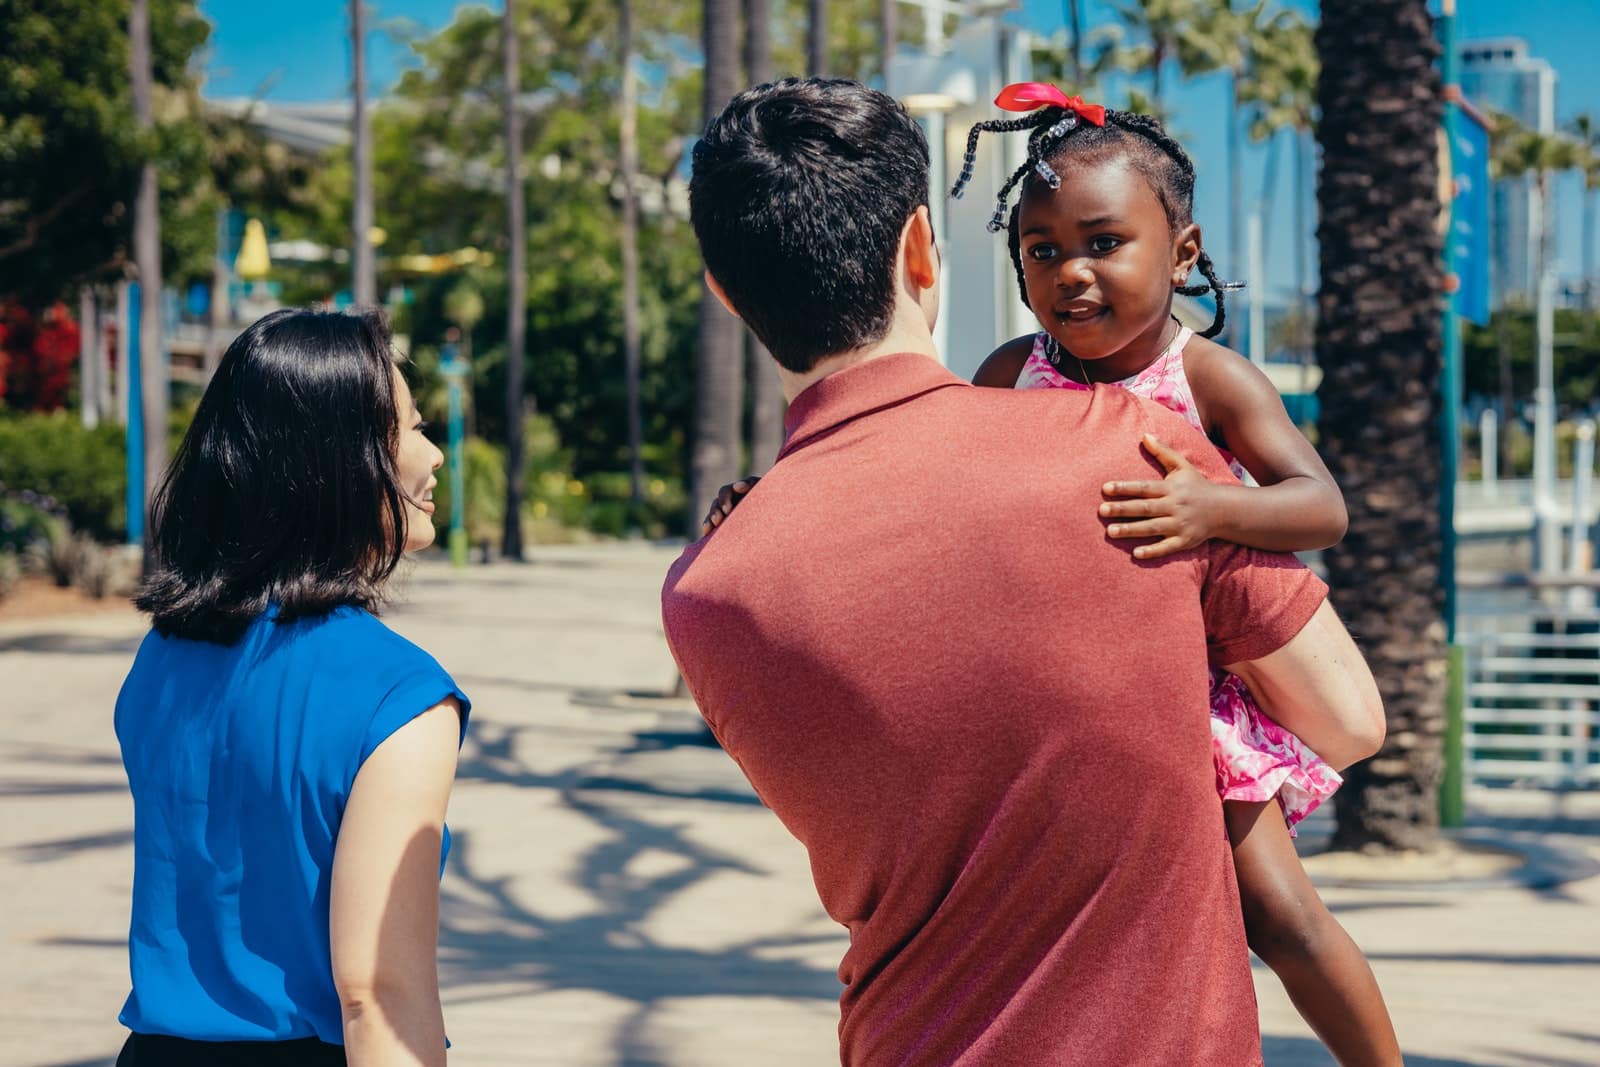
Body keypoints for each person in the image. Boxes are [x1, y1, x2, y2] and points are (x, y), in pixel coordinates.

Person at [666, 77, 1385, 1066]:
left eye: (1101, 244)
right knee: (1280, 906)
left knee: (1289, 913)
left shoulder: (705, 594)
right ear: (923, 249)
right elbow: (1350, 720)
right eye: (1042, 251)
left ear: (724, 289)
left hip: (900, 1039)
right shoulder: (1133, 446)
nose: (1072, 275)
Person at [114, 309, 468, 1067]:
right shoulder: (401, 696)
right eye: (407, 429)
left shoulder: (162, 658)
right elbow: (377, 991)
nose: (433, 454)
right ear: (338, 461)